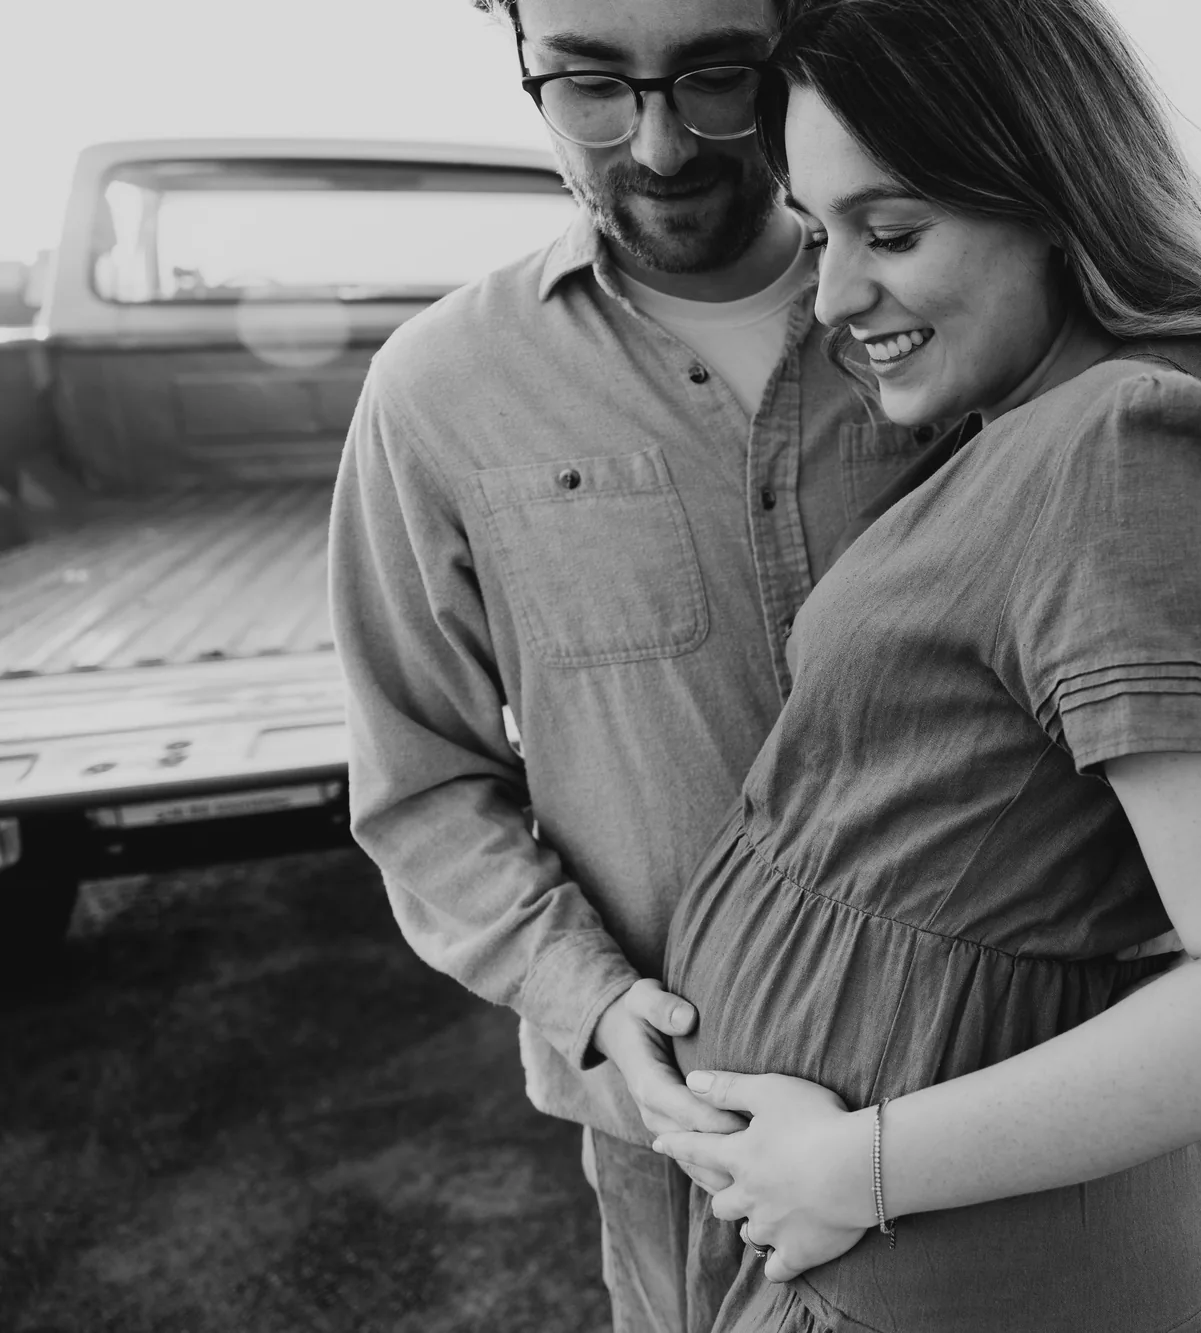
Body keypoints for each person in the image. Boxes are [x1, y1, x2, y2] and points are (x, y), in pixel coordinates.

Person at [650, 1, 1201, 1329]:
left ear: (1056, 194)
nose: (832, 296)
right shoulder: (1031, 426)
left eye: (893, 231)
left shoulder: (1130, 445)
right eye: (823, 235)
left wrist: (851, 1165)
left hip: (953, 1267)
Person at [327, 2, 932, 1329]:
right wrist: (595, 1007)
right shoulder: (437, 388)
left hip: (985, 1090)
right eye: (592, 87)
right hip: (686, 1135)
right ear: (524, 70)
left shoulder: (948, 331)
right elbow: (422, 782)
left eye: (719, 78)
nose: (660, 145)